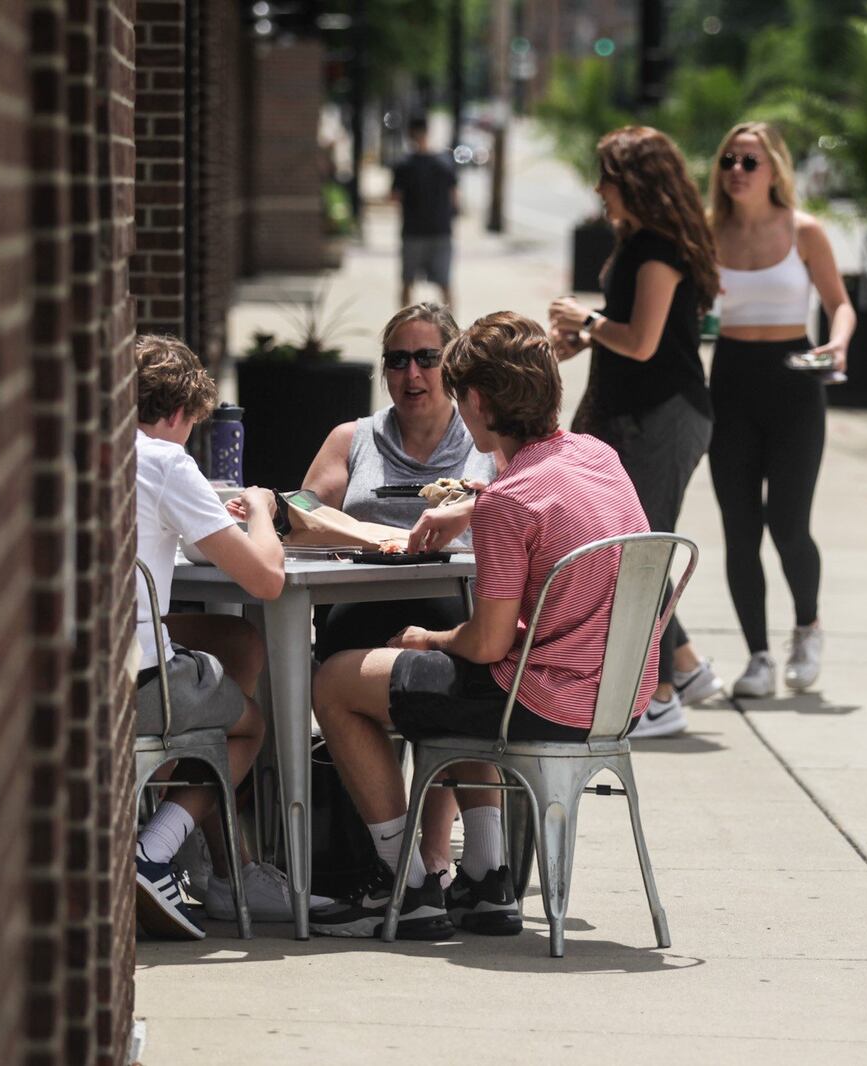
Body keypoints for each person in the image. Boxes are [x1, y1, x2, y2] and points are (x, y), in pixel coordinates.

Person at [308, 312, 657, 940]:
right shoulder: (596, 455)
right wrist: (476, 501)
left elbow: (488, 642)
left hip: (542, 701)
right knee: (456, 673)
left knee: (337, 680)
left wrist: (427, 640)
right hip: (619, 699)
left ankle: (407, 886)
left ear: (473, 400)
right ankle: (488, 876)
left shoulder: (507, 501)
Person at [546, 125, 722, 738]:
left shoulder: (657, 249)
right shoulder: (637, 242)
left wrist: (588, 320)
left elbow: (642, 343)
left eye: (606, 178)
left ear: (635, 182)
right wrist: (580, 337)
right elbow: (630, 333)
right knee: (633, 550)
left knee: (637, 557)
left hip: (663, 416)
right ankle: (684, 666)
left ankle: (661, 697)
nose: (599, 189)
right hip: (638, 414)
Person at [132, 334, 295, 938]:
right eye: (190, 427)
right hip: (137, 682)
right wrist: (257, 510)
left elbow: (187, 539)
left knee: (237, 643)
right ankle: (156, 847)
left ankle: (217, 853)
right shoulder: (165, 460)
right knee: (248, 722)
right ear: (176, 415)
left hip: (68, 664)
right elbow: (267, 579)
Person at [706, 121, 855, 697]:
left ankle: (807, 626)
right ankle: (759, 657)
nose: (737, 172)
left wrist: (837, 343)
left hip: (795, 380)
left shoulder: (804, 231)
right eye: (729, 162)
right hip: (732, 379)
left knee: (789, 525)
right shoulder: (708, 233)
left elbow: (840, 305)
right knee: (740, 530)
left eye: (749, 162)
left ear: (774, 170)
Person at [301, 302, 499, 660]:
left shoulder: (487, 442)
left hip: (457, 604)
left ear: (452, 366)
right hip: (357, 600)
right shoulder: (351, 439)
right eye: (398, 360)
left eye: (427, 358)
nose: (412, 374)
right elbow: (303, 515)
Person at [391, 118, 458, 308]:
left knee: (407, 282)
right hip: (441, 230)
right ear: (428, 132)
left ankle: (401, 328)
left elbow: (395, 197)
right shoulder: (444, 163)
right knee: (445, 284)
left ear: (409, 135)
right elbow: (455, 198)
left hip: (413, 230)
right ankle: (453, 330)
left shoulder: (403, 164)